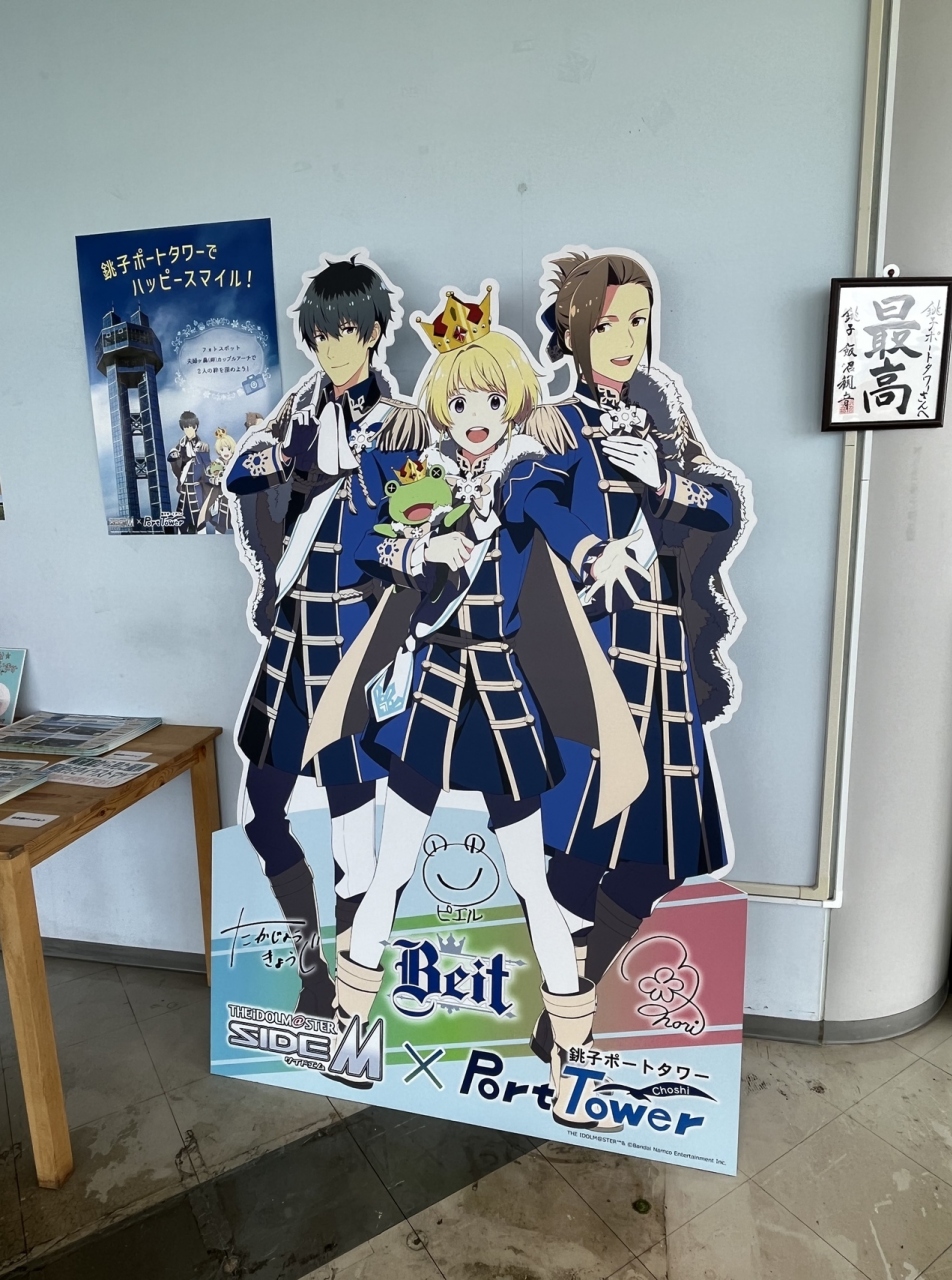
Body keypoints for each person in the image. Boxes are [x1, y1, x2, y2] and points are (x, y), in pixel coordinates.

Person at [304, 285, 647, 1127]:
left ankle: (572, 1063)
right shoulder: (415, 472)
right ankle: (351, 1032)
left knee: (531, 878)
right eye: (460, 403)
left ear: (514, 402)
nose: (476, 417)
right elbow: (361, 542)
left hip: (500, 694)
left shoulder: (525, 473)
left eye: (492, 401)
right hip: (432, 686)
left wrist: (595, 550)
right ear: (440, 406)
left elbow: (555, 517)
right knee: (391, 866)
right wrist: (422, 544)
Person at [530, 247, 749, 1060]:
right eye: (608, 323)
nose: (625, 339)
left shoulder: (659, 413)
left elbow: (721, 505)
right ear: (573, 330)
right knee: (570, 844)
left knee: (659, 856)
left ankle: (571, 999)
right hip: (587, 655)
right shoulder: (556, 422)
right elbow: (527, 494)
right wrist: (588, 548)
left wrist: (663, 479)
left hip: (662, 653)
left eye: (638, 321)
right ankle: (566, 1010)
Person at [225, 255, 429, 1019]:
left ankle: (346, 993)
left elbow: (417, 521)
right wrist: (294, 457)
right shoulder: (297, 414)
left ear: (374, 331)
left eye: (348, 329)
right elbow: (242, 475)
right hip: (293, 637)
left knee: (353, 836)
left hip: (353, 636)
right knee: (262, 814)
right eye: (322, 333)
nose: (335, 346)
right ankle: (310, 967)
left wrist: (365, 468)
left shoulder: (401, 421)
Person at [168, 411, 211, 532]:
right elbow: (174, 465)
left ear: (195, 427)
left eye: (190, 427)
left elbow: (207, 467)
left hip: (197, 489)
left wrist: (209, 487)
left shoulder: (203, 446)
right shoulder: (179, 447)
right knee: (181, 522)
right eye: (185, 427)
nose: (187, 430)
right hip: (184, 489)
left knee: (199, 522)